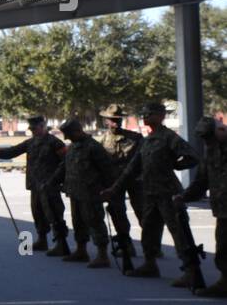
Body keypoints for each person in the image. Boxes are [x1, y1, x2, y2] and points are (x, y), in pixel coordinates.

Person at [104, 101, 200, 285]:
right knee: (148, 230)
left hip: (168, 192)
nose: (145, 117)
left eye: (149, 114)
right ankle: (150, 264)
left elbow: (192, 157)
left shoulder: (168, 137)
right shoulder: (147, 140)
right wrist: (113, 189)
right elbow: (131, 169)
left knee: (178, 231)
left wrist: (174, 165)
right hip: (149, 193)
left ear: (160, 116)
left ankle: (190, 270)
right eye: (144, 114)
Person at [0, 115, 70, 255]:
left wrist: (60, 181)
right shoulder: (31, 142)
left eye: (35, 128)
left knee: (54, 214)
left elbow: (66, 162)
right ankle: (42, 240)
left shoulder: (55, 143)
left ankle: (61, 244)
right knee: (38, 213)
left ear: (43, 126)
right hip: (35, 185)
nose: (33, 131)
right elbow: (13, 151)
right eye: (31, 129)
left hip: (50, 186)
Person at [50, 120, 116, 268]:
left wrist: (108, 189)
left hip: (91, 193)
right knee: (78, 222)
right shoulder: (73, 146)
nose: (66, 138)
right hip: (75, 192)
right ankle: (81, 251)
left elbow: (107, 170)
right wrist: (52, 181)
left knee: (95, 222)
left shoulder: (93, 147)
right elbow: (64, 167)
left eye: (68, 134)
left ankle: (102, 255)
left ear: (77, 131)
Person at [178, 116, 227, 297]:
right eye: (205, 139)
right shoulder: (211, 151)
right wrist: (184, 197)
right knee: (223, 246)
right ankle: (225, 282)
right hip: (222, 209)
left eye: (210, 137)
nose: (208, 142)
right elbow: (201, 180)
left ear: (220, 131)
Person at [96, 104, 144, 259]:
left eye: (118, 119)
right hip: (114, 183)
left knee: (143, 212)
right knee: (117, 212)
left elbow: (144, 159)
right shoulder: (103, 140)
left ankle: (152, 246)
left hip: (135, 181)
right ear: (106, 121)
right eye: (112, 120)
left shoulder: (136, 138)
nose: (115, 122)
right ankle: (126, 244)